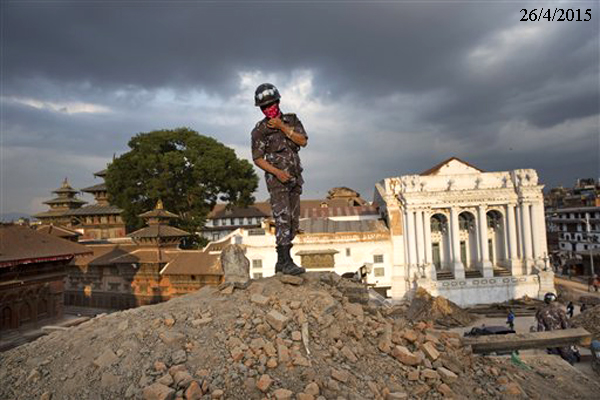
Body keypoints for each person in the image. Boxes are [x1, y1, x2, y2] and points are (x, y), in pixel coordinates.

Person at [251, 83, 307, 276]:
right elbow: (257, 158)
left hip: (295, 178)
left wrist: (282, 127)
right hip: (277, 181)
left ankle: (284, 260)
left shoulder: (291, 120)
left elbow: (303, 141)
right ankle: (284, 261)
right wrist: (277, 172)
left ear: (278, 101)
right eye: (264, 107)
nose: (268, 109)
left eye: (271, 104)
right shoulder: (259, 130)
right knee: (282, 218)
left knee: (293, 220)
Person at [536, 292, 576, 364]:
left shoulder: (541, 313)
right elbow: (566, 326)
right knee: (568, 358)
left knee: (555, 360)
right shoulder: (560, 311)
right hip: (562, 337)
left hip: (550, 339)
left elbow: (540, 329)